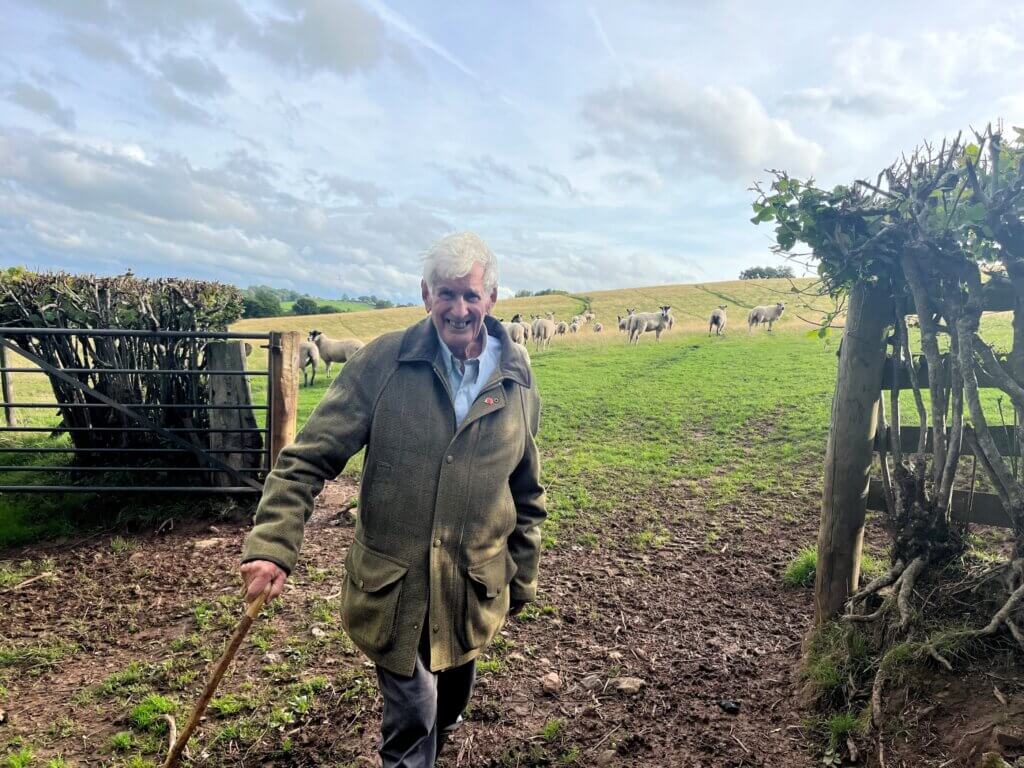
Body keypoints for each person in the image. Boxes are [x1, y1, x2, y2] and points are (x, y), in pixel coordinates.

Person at [239, 232, 546, 767]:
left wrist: (520, 577)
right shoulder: (384, 362)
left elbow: (526, 488)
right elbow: (306, 459)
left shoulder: (516, 375)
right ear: (426, 295)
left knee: (449, 706)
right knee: (415, 716)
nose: (458, 308)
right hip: (395, 590)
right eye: (446, 294)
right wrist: (272, 544)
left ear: (492, 300)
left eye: (471, 295)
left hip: (470, 587)